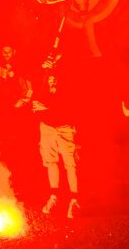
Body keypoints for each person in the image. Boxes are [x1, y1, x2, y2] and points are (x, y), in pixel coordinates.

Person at [17, 52, 81, 219]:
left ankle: (74, 201)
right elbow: (29, 80)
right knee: (51, 162)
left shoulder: (68, 74)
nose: (52, 59)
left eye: (56, 57)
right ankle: (54, 197)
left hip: (64, 127)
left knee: (70, 164)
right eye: (51, 57)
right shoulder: (44, 73)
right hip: (46, 127)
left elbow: (72, 103)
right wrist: (42, 67)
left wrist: (47, 108)